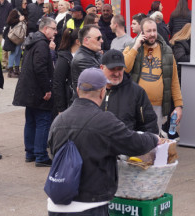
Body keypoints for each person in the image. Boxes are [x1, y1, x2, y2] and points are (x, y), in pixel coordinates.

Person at [47, 68, 163, 216]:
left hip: (56, 205)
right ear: (102, 92)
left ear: (77, 90)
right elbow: (135, 144)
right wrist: (153, 138)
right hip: (89, 206)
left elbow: (51, 152)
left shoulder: (58, 120)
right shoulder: (105, 121)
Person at [122, 16, 183, 130]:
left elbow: (174, 80)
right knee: (135, 137)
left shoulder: (166, 51)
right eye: (148, 31)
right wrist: (136, 47)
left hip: (157, 107)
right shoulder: (131, 47)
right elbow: (124, 69)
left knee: (154, 139)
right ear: (142, 32)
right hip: (135, 104)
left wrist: (178, 106)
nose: (152, 34)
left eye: (154, 30)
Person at [13, 16, 58, 167]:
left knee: (31, 121)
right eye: (53, 29)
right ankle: (40, 155)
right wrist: (47, 89)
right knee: (42, 122)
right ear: (45, 29)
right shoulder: (41, 44)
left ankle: (30, 152)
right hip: (38, 91)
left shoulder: (33, 41)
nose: (56, 32)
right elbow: (40, 68)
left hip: (29, 90)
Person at [99, 49, 158, 133]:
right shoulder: (92, 89)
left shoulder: (137, 92)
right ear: (102, 68)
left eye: (120, 69)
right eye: (112, 69)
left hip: (125, 141)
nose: (116, 74)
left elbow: (149, 124)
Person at [71, 25, 102, 90]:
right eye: (98, 38)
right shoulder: (82, 59)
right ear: (86, 40)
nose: (102, 41)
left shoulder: (95, 54)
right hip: (88, 95)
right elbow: (99, 80)